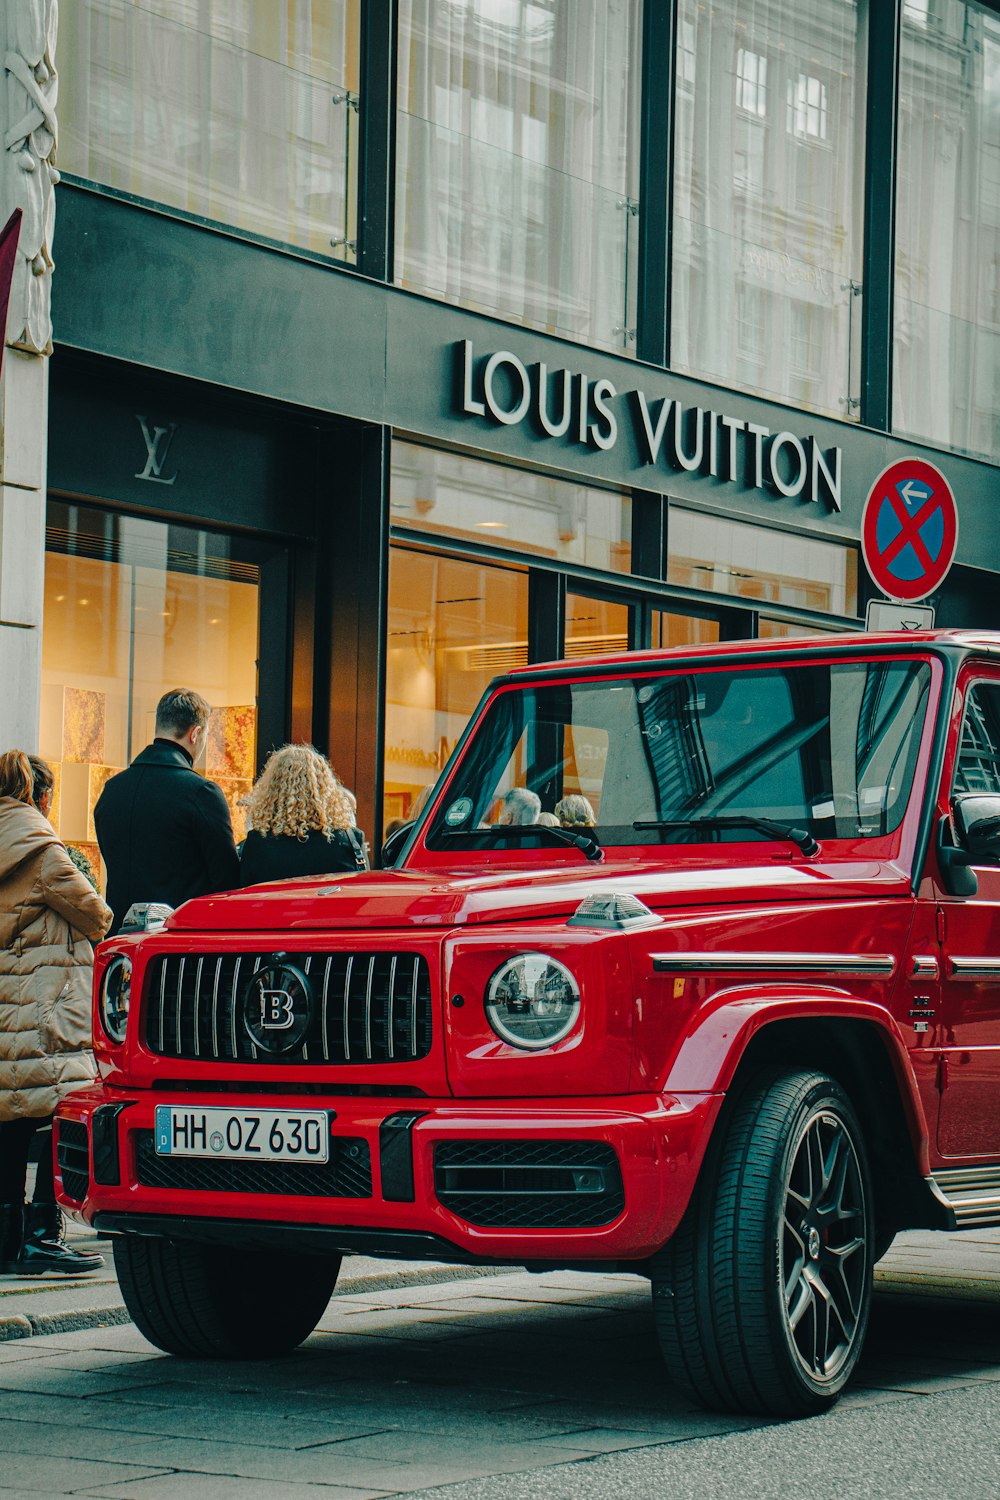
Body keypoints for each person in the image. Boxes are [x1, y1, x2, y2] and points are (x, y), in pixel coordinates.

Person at [0, 751, 112, 1275]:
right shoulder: (44, 853)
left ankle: (6, 1238)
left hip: (4, 1013)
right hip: (44, 1011)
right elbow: (96, 914)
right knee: (56, 1113)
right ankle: (43, 1233)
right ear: (40, 797)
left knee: (8, 1119)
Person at [94, 689, 240, 933]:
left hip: (120, 944)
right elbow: (227, 881)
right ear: (195, 733)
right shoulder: (201, 793)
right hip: (178, 945)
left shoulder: (112, 790)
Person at [238, 744, 369, 885]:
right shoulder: (350, 840)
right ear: (325, 789)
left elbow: (244, 892)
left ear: (272, 789)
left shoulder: (257, 843)